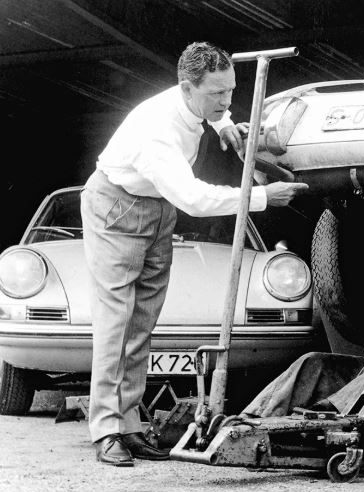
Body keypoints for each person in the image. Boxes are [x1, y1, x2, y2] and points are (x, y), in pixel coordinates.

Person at [80, 41, 308, 467]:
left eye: (231, 90)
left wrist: (225, 126)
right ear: (187, 87)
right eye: (216, 94)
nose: (226, 100)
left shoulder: (198, 104)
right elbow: (195, 200)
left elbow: (213, 117)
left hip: (156, 208)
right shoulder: (156, 130)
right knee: (117, 320)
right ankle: (106, 430)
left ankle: (129, 426)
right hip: (118, 207)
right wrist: (262, 196)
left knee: (143, 319)